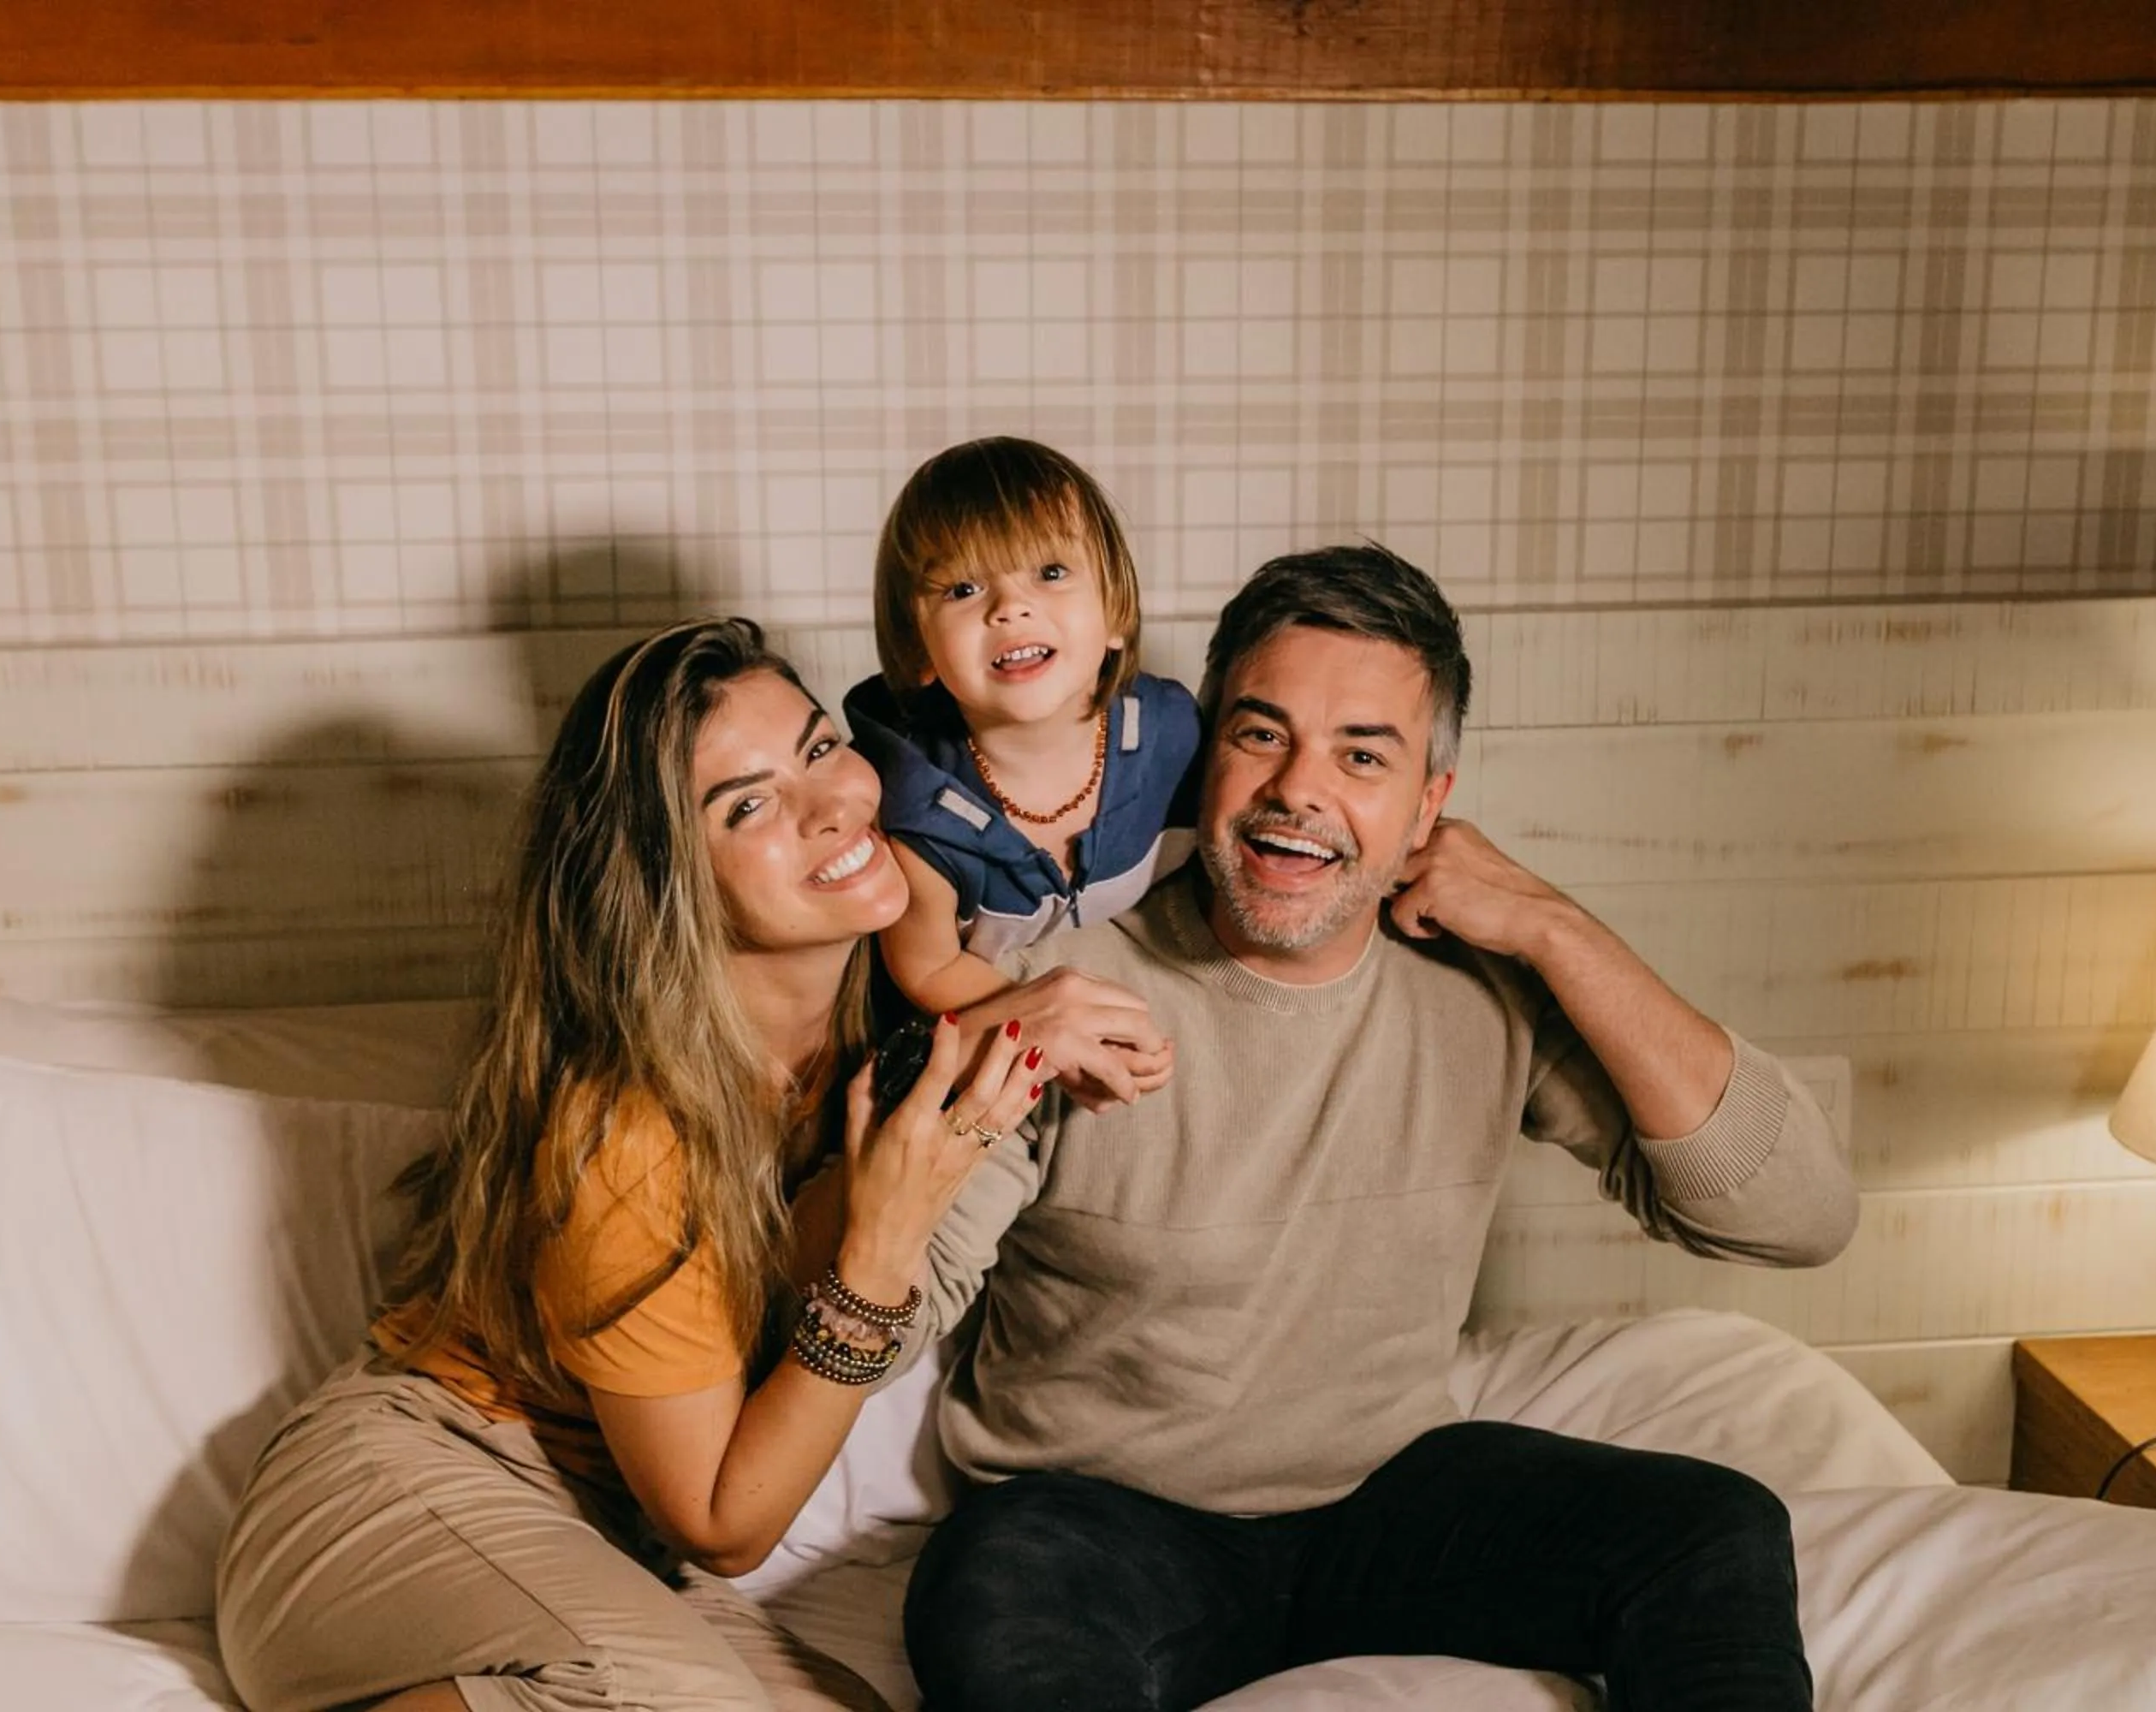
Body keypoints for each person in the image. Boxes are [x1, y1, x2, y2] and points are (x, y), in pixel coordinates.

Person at [898, 546, 1862, 1712]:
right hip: (1102, 1522)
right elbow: (897, 1305)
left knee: (1715, 1528)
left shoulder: (1481, 984)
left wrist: (1556, 929)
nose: (1299, 790)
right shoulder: (1068, 990)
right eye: (1262, 735)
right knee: (988, 1586)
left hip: (1389, 1499)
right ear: (1208, 760)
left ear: (1429, 806)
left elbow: (1802, 1214)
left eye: (1363, 755)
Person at [213, 618, 1054, 1712]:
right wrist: (884, 1236)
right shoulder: (622, 1126)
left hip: (597, 1531)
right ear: (669, 879)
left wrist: (1035, 1014)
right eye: (745, 805)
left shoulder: (889, 1013)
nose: (829, 802)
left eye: (814, 747)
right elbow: (724, 1522)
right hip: (401, 1492)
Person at [845, 438, 1200, 1073]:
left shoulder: (1172, 733)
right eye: (962, 588)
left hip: (1159, 1024)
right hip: (981, 1052)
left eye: (1052, 572)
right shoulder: (912, 810)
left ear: (1117, 613)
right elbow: (926, 968)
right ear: (918, 647)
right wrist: (1046, 1017)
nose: (1011, 607)